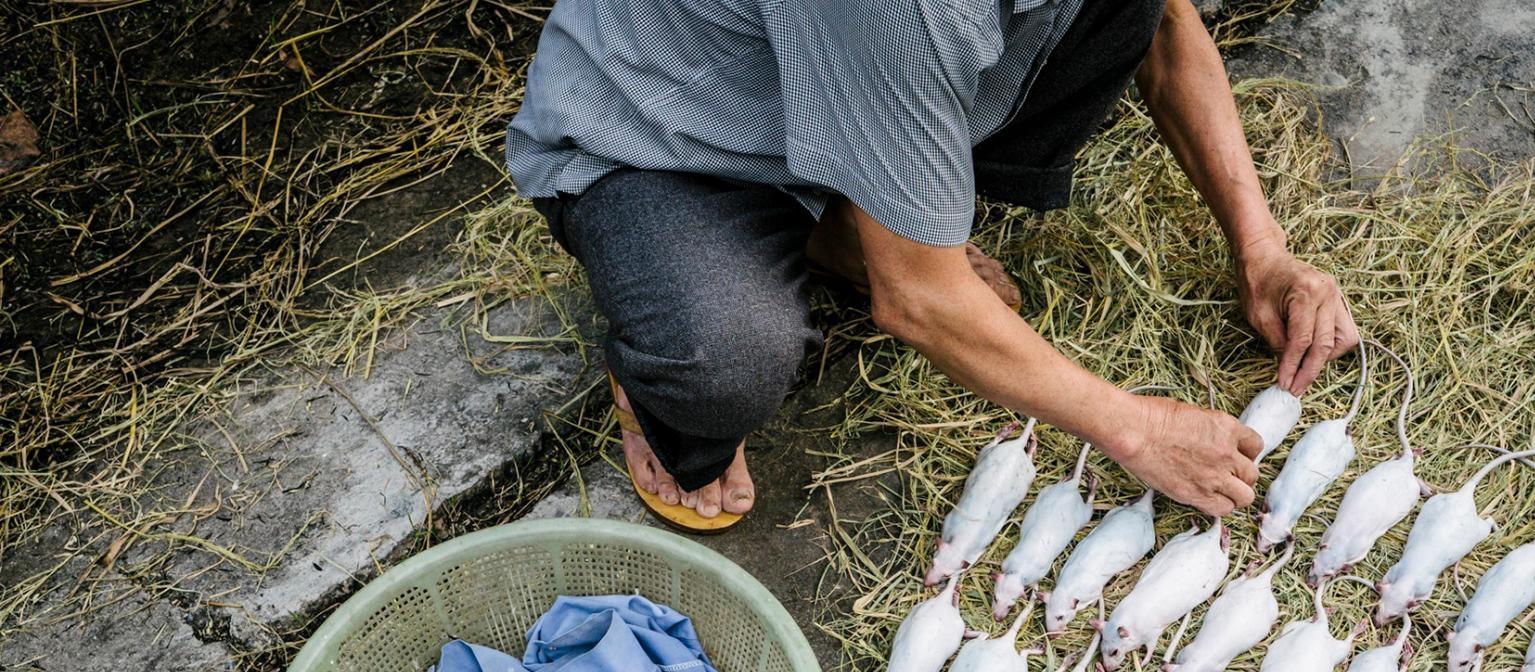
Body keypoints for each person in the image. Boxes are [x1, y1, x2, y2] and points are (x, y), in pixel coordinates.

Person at [508, 0, 1358, 529]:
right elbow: (917, 302)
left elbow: (1168, 27)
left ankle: (858, 214)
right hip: (670, 137)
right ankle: (668, 384)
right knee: (721, 362)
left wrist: (1263, 251)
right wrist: (1136, 429)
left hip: (842, 76)